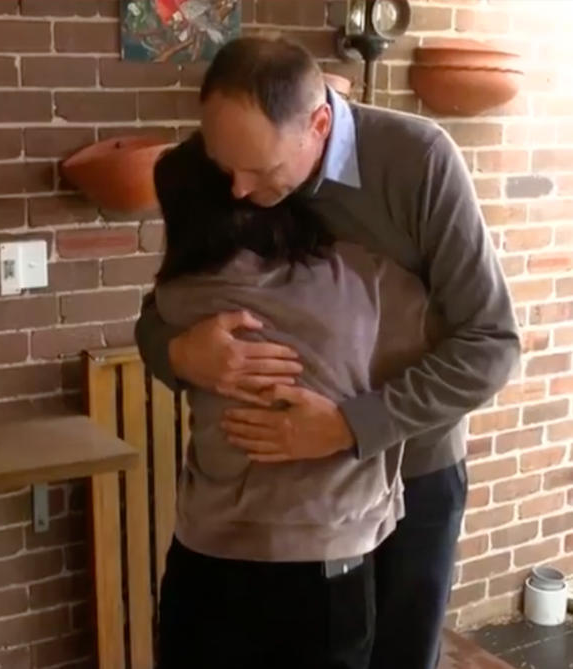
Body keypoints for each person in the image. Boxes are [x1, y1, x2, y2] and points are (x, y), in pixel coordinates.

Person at [135, 36, 519, 669]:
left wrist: (348, 427)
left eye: (258, 171)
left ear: (318, 125)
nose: (234, 188)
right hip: (258, 512)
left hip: (411, 474)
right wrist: (179, 354)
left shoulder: (418, 160)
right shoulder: (226, 160)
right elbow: (159, 310)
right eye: (222, 161)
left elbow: (491, 342)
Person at [149, 133, 434, 668]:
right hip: (327, 558)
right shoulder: (364, 281)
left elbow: (151, 327)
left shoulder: (181, 299)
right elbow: (452, 346)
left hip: (207, 554)